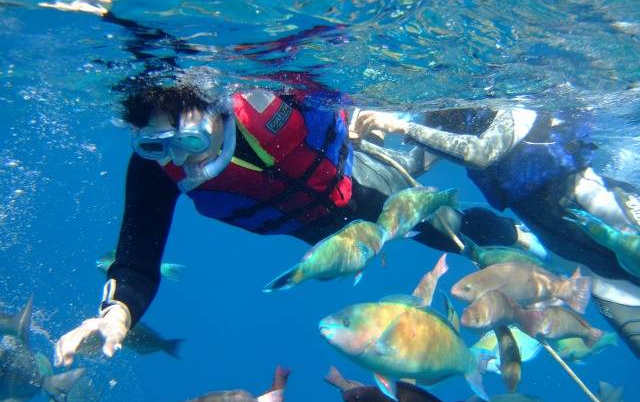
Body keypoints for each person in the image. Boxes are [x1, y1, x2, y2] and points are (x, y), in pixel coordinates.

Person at [55, 83, 533, 366]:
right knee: (431, 224)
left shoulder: (270, 91)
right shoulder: (156, 170)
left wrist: (370, 114)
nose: (183, 157)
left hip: (362, 185)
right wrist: (117, 311)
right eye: (158, 145)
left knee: (452, 229)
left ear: (219, 106)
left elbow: (337, 73)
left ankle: (522, 236)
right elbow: (137, 257)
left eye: (193, 137)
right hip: (328, 237)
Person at [352, 106, 640, 358]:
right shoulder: (445, 124)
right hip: (581, 260)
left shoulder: (512, 105)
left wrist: (402, 126)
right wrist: (358, 143)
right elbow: (408, 165)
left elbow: (481, 153)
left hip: (612, 218)